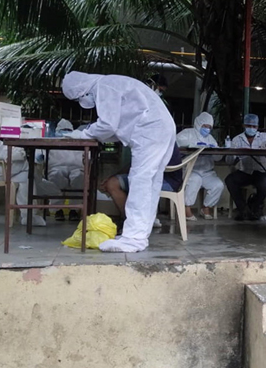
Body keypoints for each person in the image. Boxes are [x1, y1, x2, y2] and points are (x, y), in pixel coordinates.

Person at [62, 71, 176, 252]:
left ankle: (133, 239)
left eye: (79, 98)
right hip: (161, 127)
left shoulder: (104, 87)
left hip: (151, 130)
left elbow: (108, 124)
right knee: (150, 182)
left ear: (81, 90)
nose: (83, 102)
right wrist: (94, 134)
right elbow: (118, 127)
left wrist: (84, 134)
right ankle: (139, 234)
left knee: (139, 181)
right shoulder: (113, 83)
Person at [101, 143, 184, 229]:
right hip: (154, 177)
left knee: (113, 184)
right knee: (117, 182)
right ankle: (136, 220)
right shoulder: (158, 135)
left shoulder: (156, 137)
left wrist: (114, 177)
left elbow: (141, 165)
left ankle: (131, 223)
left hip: (166, 181)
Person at [225, 113, 266, 221]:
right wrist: (233, 155)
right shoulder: (237, 140)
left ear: (257, 127)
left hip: (261, 171)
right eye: (249, 126)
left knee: (264, 184)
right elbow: (229, 161)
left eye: (254, 126)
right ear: (244, 126)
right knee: (230, 180)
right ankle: (243, 209)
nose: (251, 128)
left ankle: (255, 208)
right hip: (245, 171)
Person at [176, 112, 224, 221]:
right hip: (190, 170)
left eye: (209, 127)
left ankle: (206, 207)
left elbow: (217, 158)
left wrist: (216, 150)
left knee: (218, 185)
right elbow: (176, 143)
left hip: (207, 172)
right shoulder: (188, 133)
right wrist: (193, 145)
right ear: (198, 124)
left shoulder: (211, 139)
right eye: (205, 126)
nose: (207, 129)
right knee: (195, 180)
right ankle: (186, 207)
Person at [49, 119, 84, 222]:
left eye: (67, 130)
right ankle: (57, 209)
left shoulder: (80, 140)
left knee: (79, 177)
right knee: (56, 177)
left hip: (76, 167)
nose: (65, 133)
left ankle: (75, 209)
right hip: (57, 167)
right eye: (62, 130)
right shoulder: (51, 141)